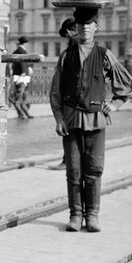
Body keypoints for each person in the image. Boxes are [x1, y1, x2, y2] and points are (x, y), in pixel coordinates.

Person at [49, 7, 132, 233]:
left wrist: (114, 104)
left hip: (96, 121)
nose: (84, 28)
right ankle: (76, 215)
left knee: (94, 170)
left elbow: (127, 85)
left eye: (89, 24)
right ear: (75, 28)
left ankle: (93, 216)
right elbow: (56, 91)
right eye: (80, 24)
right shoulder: (66, 56)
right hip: (70, 122)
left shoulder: (105, 55)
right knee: (74, 172)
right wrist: (58, 118)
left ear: (96, 27)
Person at [49, 17, 77, 171]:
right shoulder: (66, 55)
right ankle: (67, 161)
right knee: (69, 133)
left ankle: (70, 161)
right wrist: (59, 117)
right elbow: (56, 87)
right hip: (70, 104)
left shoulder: (95, 53)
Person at [10, 36, 34, 119]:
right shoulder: (22, 51)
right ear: (25, 43)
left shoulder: (16, 51)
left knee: (21, 96)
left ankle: (22, 114)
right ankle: (23, 114)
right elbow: (22, 61)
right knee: (21, 96)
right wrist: (24, 71)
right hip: (22, 77)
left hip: (19, 76)